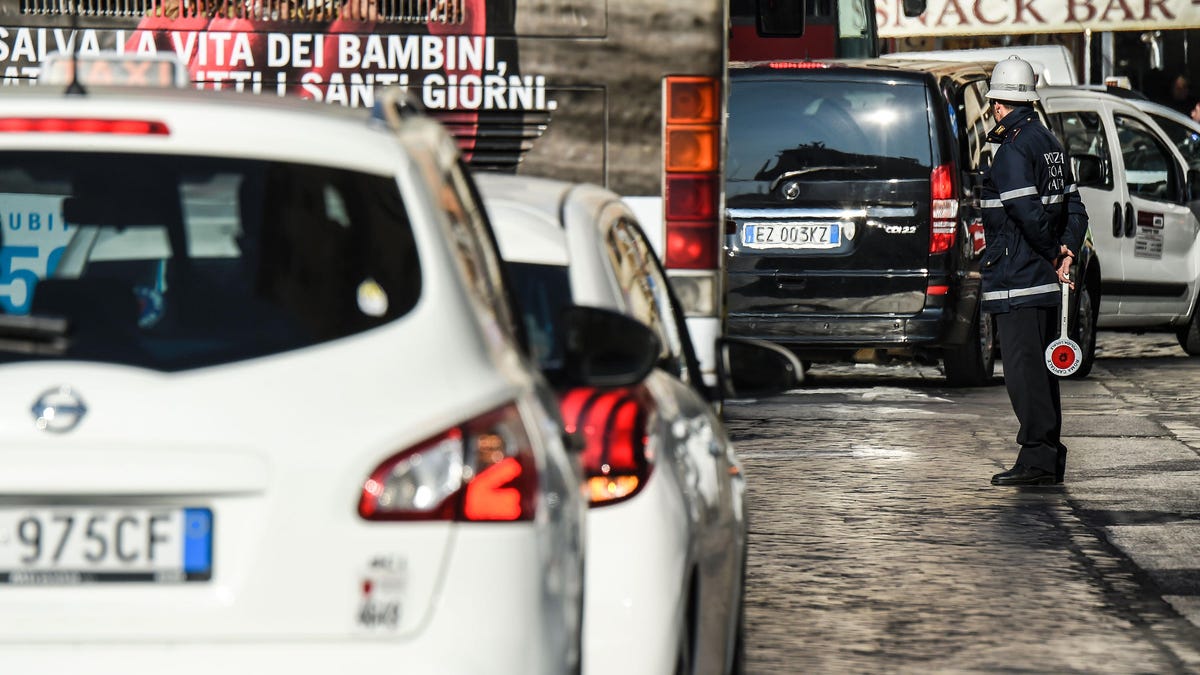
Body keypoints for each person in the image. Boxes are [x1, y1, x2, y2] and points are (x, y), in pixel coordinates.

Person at [980, 56, 1089, 487]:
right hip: (1041, 277)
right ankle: (1046, 457)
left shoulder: (1012, 148)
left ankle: (1037, 459)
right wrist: (1067, 251)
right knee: (1043, 373)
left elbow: (1024, 212)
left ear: (999, 104)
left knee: (1024, 373)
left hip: (1018, 276)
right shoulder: (1050, 143)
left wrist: (1051, 252)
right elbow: (1075, 207)